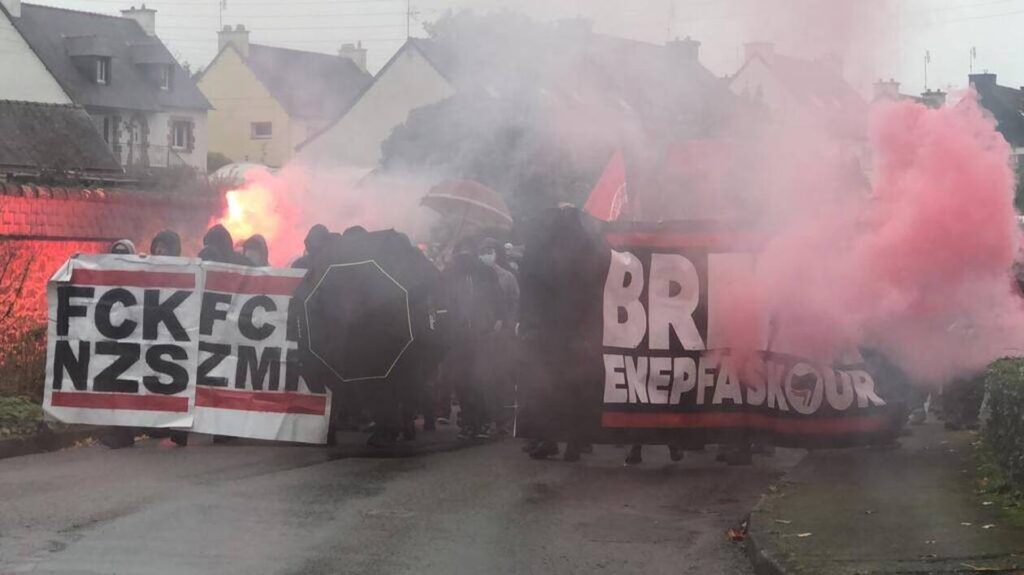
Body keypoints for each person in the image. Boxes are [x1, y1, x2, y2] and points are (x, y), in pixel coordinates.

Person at [438, 237, 504, 440]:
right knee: (461, 380)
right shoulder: (448, 274)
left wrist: (498, 320)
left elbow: (497, 299)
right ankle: (468, 421)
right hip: (457, 335)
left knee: (480, 378)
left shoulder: (485, 273)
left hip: (481, 333)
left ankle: (483, 420)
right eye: (461, 252)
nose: (464, 256)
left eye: (467, 251)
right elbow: (441, 301)